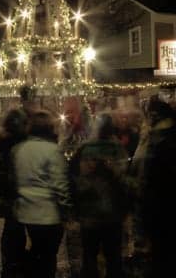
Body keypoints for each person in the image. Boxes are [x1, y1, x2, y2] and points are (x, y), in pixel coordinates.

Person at [71, 112, 131, 278]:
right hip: (113, 213)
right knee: (113, 256)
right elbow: (124, 180)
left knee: (90, 255)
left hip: (89, 212)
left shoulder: (85, 149)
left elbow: (75, 178)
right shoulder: (118, 149)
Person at [12, 110, 71, 278]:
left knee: (37, 249)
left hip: (26, 212)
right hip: (48, 213)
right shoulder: (52, 151)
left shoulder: (19, 150)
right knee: (48, 256)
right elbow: (60, 184)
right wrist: (66, 209)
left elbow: (14, 180)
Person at [0, 108, 29, 278]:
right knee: (19, 228)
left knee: (11, 229)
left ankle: (10, 265)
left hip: (6, 193)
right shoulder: (24, 142)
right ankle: (19, 263)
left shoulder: (0, 141)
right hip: (21, 191)